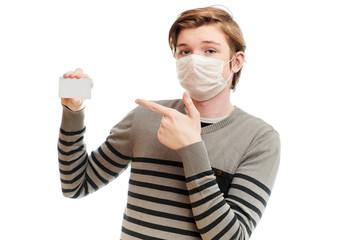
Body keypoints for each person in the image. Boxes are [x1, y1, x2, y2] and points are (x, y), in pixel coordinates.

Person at [58, 6, 280, 240]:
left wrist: (191, 149)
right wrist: (74, 110)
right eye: (185, 51)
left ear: (236, 62)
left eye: (210, 50)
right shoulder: (144, 118)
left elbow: (231, 237)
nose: (195, 60)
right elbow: (75, 185)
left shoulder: (260, 139)